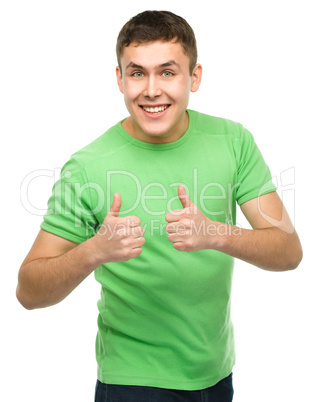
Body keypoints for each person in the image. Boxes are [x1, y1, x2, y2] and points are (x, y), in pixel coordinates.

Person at [16, 10, 303, 402]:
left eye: (167, 72)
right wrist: (94, 251)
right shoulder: (87, 167)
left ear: (194, 77)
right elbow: (29, 291)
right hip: (132, 384)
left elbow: (288, 251)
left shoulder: (233, 141)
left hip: (217, 376)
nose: (151, 90)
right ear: (120, 79)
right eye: (137, 73)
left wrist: (216, 233)